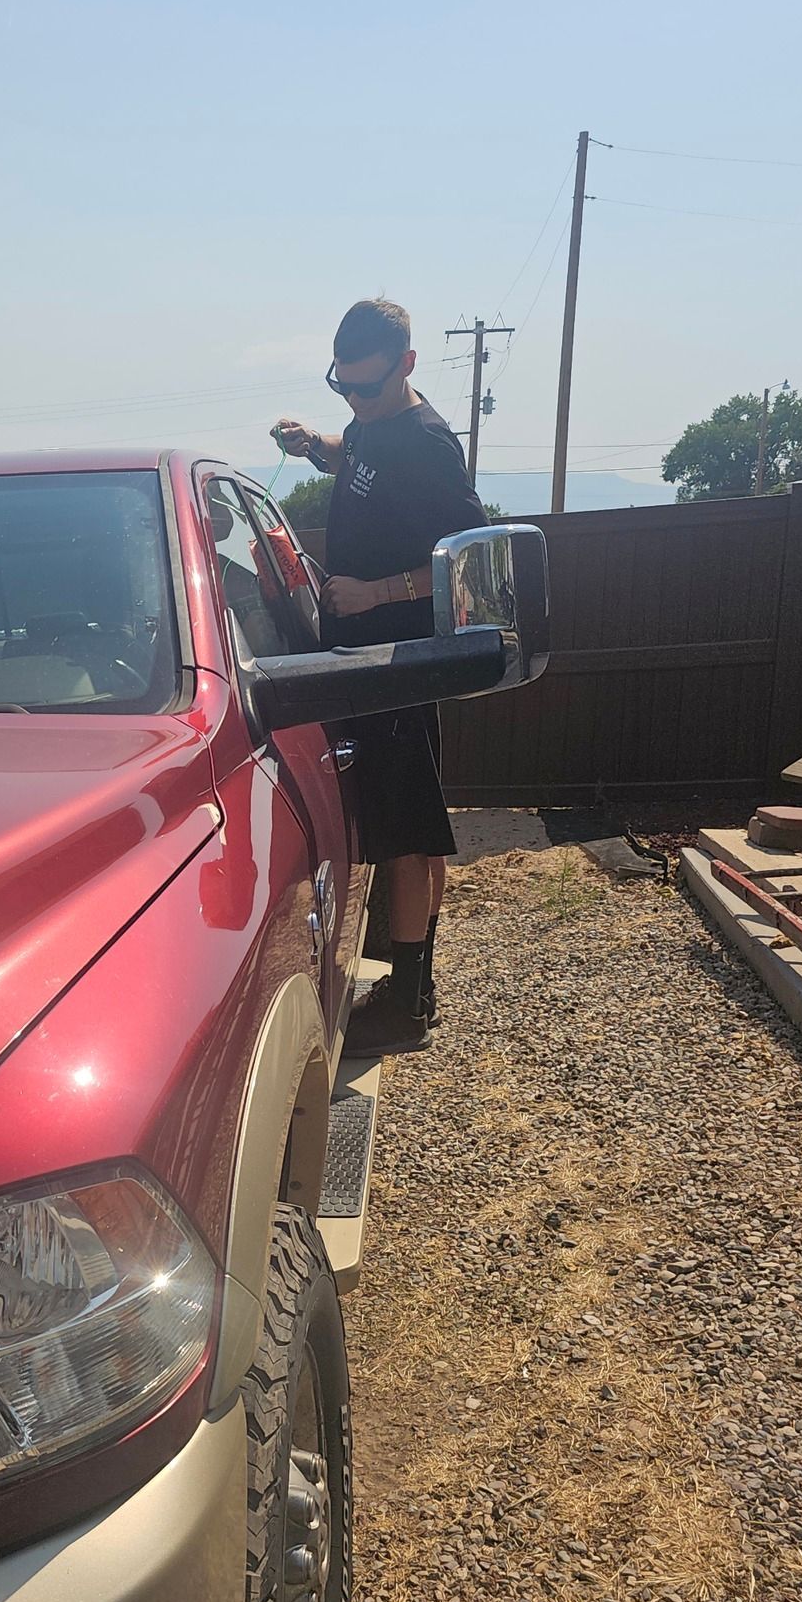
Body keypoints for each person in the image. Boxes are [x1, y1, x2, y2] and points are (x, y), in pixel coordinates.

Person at [273, 297, 484, 1055]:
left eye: (366, 386)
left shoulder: (428, 445)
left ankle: (405, 1009)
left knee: (404, 836)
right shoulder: (372, 421)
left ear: (408, 364)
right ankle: (415, 988)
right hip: (369, 661)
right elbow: (356, 456)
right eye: (343, 386)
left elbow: (468, 555)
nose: (354, 399)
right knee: (417, 825)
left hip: (396, 662)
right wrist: (315, 445)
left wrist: (376, 593)